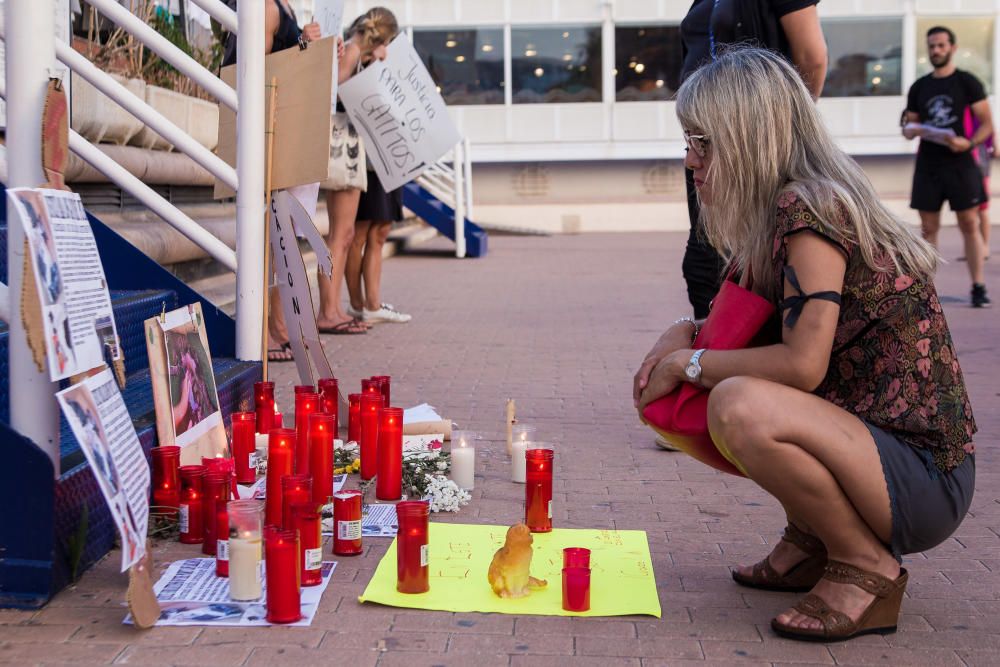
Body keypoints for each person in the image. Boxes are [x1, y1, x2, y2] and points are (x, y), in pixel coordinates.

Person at [634, 48, 976, 641]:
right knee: (736, 393)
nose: (689, 159)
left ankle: (864, 564)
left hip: (924, 479)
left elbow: (801, 365)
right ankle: (811, 541)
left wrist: (686, 365)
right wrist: (683, 334)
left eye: (703, 142)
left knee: (740, 405)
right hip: (877, 456)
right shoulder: (779, 212)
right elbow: (734, 331)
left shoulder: (810, 208)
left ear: (749, 139)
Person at [679, 0, 828, 320]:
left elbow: (812, 59)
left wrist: (781, 134)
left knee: (750, 262)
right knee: (705, 260)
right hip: (708, 142)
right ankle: (711, 349)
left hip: (751, 147)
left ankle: (720, 357)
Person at [222, 0, 324, 360]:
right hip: (266, 133)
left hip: (281, 130)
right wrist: (302, 46)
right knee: (268, 239)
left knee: (283, 237)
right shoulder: (266, 7)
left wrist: (306, 44)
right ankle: (266, 329)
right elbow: (257, 72)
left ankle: (281, 326)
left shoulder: (282, 7)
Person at [316, 8, 400, 335]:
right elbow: (336, 87)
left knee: (346, 234)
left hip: (352, 147)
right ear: (379, 36)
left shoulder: (358, 52)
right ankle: (328, 310)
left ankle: (334, 307)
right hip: (342, 145)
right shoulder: (352, 49)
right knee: (340, 236)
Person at [902, 26, 992, 308]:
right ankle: (928, 290)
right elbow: (909, 125)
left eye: (941, 45)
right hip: (929, 164)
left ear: (952, 47)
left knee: (969, 223)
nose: (936, 51)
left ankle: (978, 286)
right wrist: (911, 130)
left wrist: (970, 143)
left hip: (961, 163)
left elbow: (987, 123)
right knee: (928, 229)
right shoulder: (920, 87)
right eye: (931, 46)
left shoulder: (968, 82)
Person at [345, 171, 412, 324]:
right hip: (368, 161)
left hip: (390, 162)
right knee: (359, 231)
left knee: (381, 230)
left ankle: (372, 304)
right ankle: (357, 304)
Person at [962, 106, 993, 263]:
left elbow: (990, 129)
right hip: (964, 164)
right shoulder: (961, 108)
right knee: (968, 212)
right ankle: (974, 248)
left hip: (979, 162)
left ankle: (985, 247)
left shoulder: (978, 112)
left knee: (981, 208)